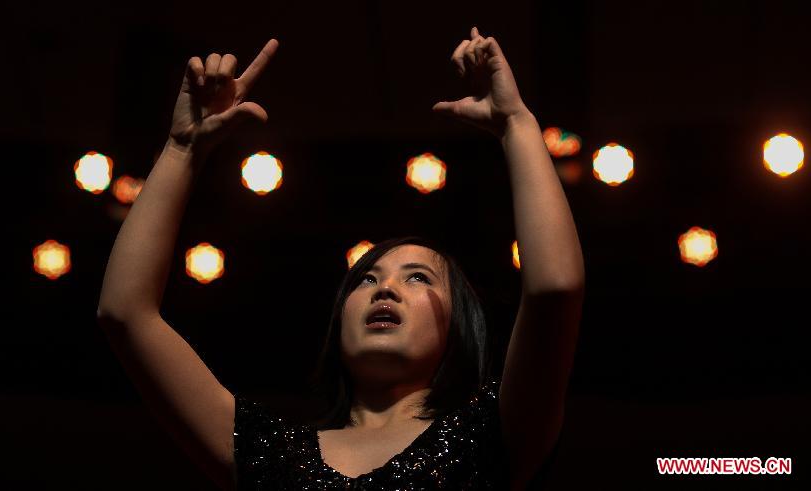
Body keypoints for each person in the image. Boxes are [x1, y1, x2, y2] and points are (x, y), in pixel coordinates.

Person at [97, 26, 584, 490]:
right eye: (366, 280)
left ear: (460, 326)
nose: (385, 289)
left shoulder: (496, 432)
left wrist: (517, 124)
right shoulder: (268, 452)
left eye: (418, 278)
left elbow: (554, 288)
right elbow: (125, 313)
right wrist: (183, 149)